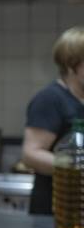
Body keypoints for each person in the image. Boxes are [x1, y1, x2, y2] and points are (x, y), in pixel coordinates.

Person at [23, 26, 84, 214]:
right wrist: (76, 165)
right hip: (56, 209)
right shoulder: (50, 99)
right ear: (70, 65)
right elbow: (31, 154)